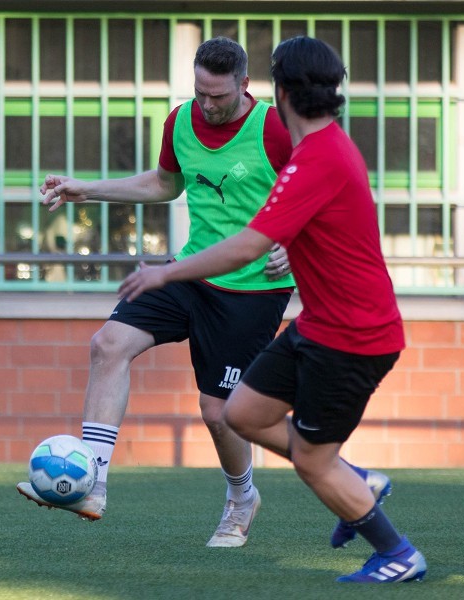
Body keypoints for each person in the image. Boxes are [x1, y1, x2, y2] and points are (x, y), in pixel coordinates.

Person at [117, 36, 426, 583]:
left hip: (353, 337)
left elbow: (249, 244)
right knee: (239, 413)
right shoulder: (314, 150)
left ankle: (396, 551)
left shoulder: (319, 158)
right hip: (318, 326)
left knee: (311, 458)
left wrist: (164, 271)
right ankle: (357, 480)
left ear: (278, 93)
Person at [17, 36, 297, 548]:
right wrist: (88, 188)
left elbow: (321, 195)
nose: (207, 106)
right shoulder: (181, 120)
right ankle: (92, 484)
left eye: (218, 96)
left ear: (245, 85)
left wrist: (297, 247)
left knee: (218, 414)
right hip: (190, 272)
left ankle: (242, 497)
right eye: (200, 93)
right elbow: (165, 184)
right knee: (108, 344)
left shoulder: (276, 128)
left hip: (252, 290)